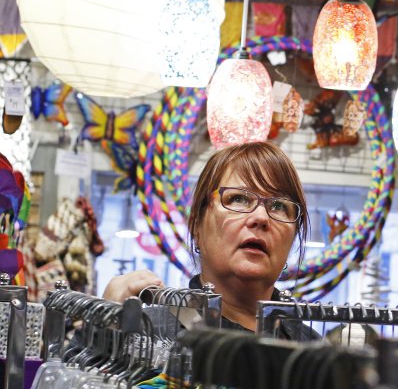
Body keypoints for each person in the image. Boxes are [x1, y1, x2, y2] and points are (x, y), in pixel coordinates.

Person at [103, 141, 314, 338]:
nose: (261, 217)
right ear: (196, 227)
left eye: (279, 206)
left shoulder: (313, 352)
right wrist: (101, 331)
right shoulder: (144, 334)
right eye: (238, 199)